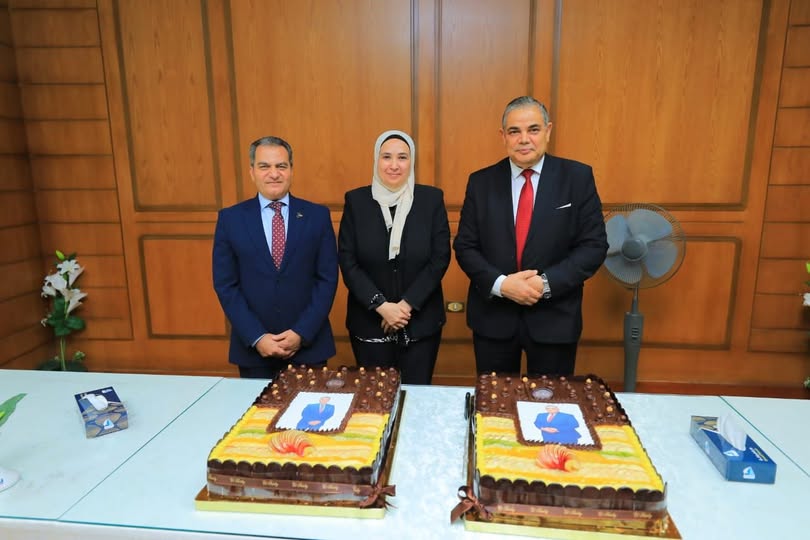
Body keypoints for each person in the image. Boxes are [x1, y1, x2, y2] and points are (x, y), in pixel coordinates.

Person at [453, 96, 607, 376]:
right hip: (493, 320)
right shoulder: (481, 182)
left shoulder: (577, 177)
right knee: (495, 401)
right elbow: (465, 246)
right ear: (503, 136)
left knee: (550, 401)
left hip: (555, 319)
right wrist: (502, 285)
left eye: (533, 129)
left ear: (548, 131)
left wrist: (544, 284)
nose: (524, 139)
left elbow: (593, 246)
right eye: (515, 131)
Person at [212, 136, 338, 380]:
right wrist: (257, 337)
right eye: (264, 166)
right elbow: (226, 285)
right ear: (252, 172)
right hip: (254, 351)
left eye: (281, 166)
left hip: (309, 347)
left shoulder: (317, 216)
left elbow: (327, 280)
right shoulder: (230, 219)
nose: (274, 174)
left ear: (291, 170)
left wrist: (302, 332)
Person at [338, 130, 450, 385]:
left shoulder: (431, 199)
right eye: (386, 157)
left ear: (412, 161)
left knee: (416, 396)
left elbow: (440, 258)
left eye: (402, 157)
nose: (394, 165)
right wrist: (382, 306)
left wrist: (404, 306)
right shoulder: (356, 201)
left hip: (420, 321)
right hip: (369, 321)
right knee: (373, 399)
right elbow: (348, 261)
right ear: (376, 160)